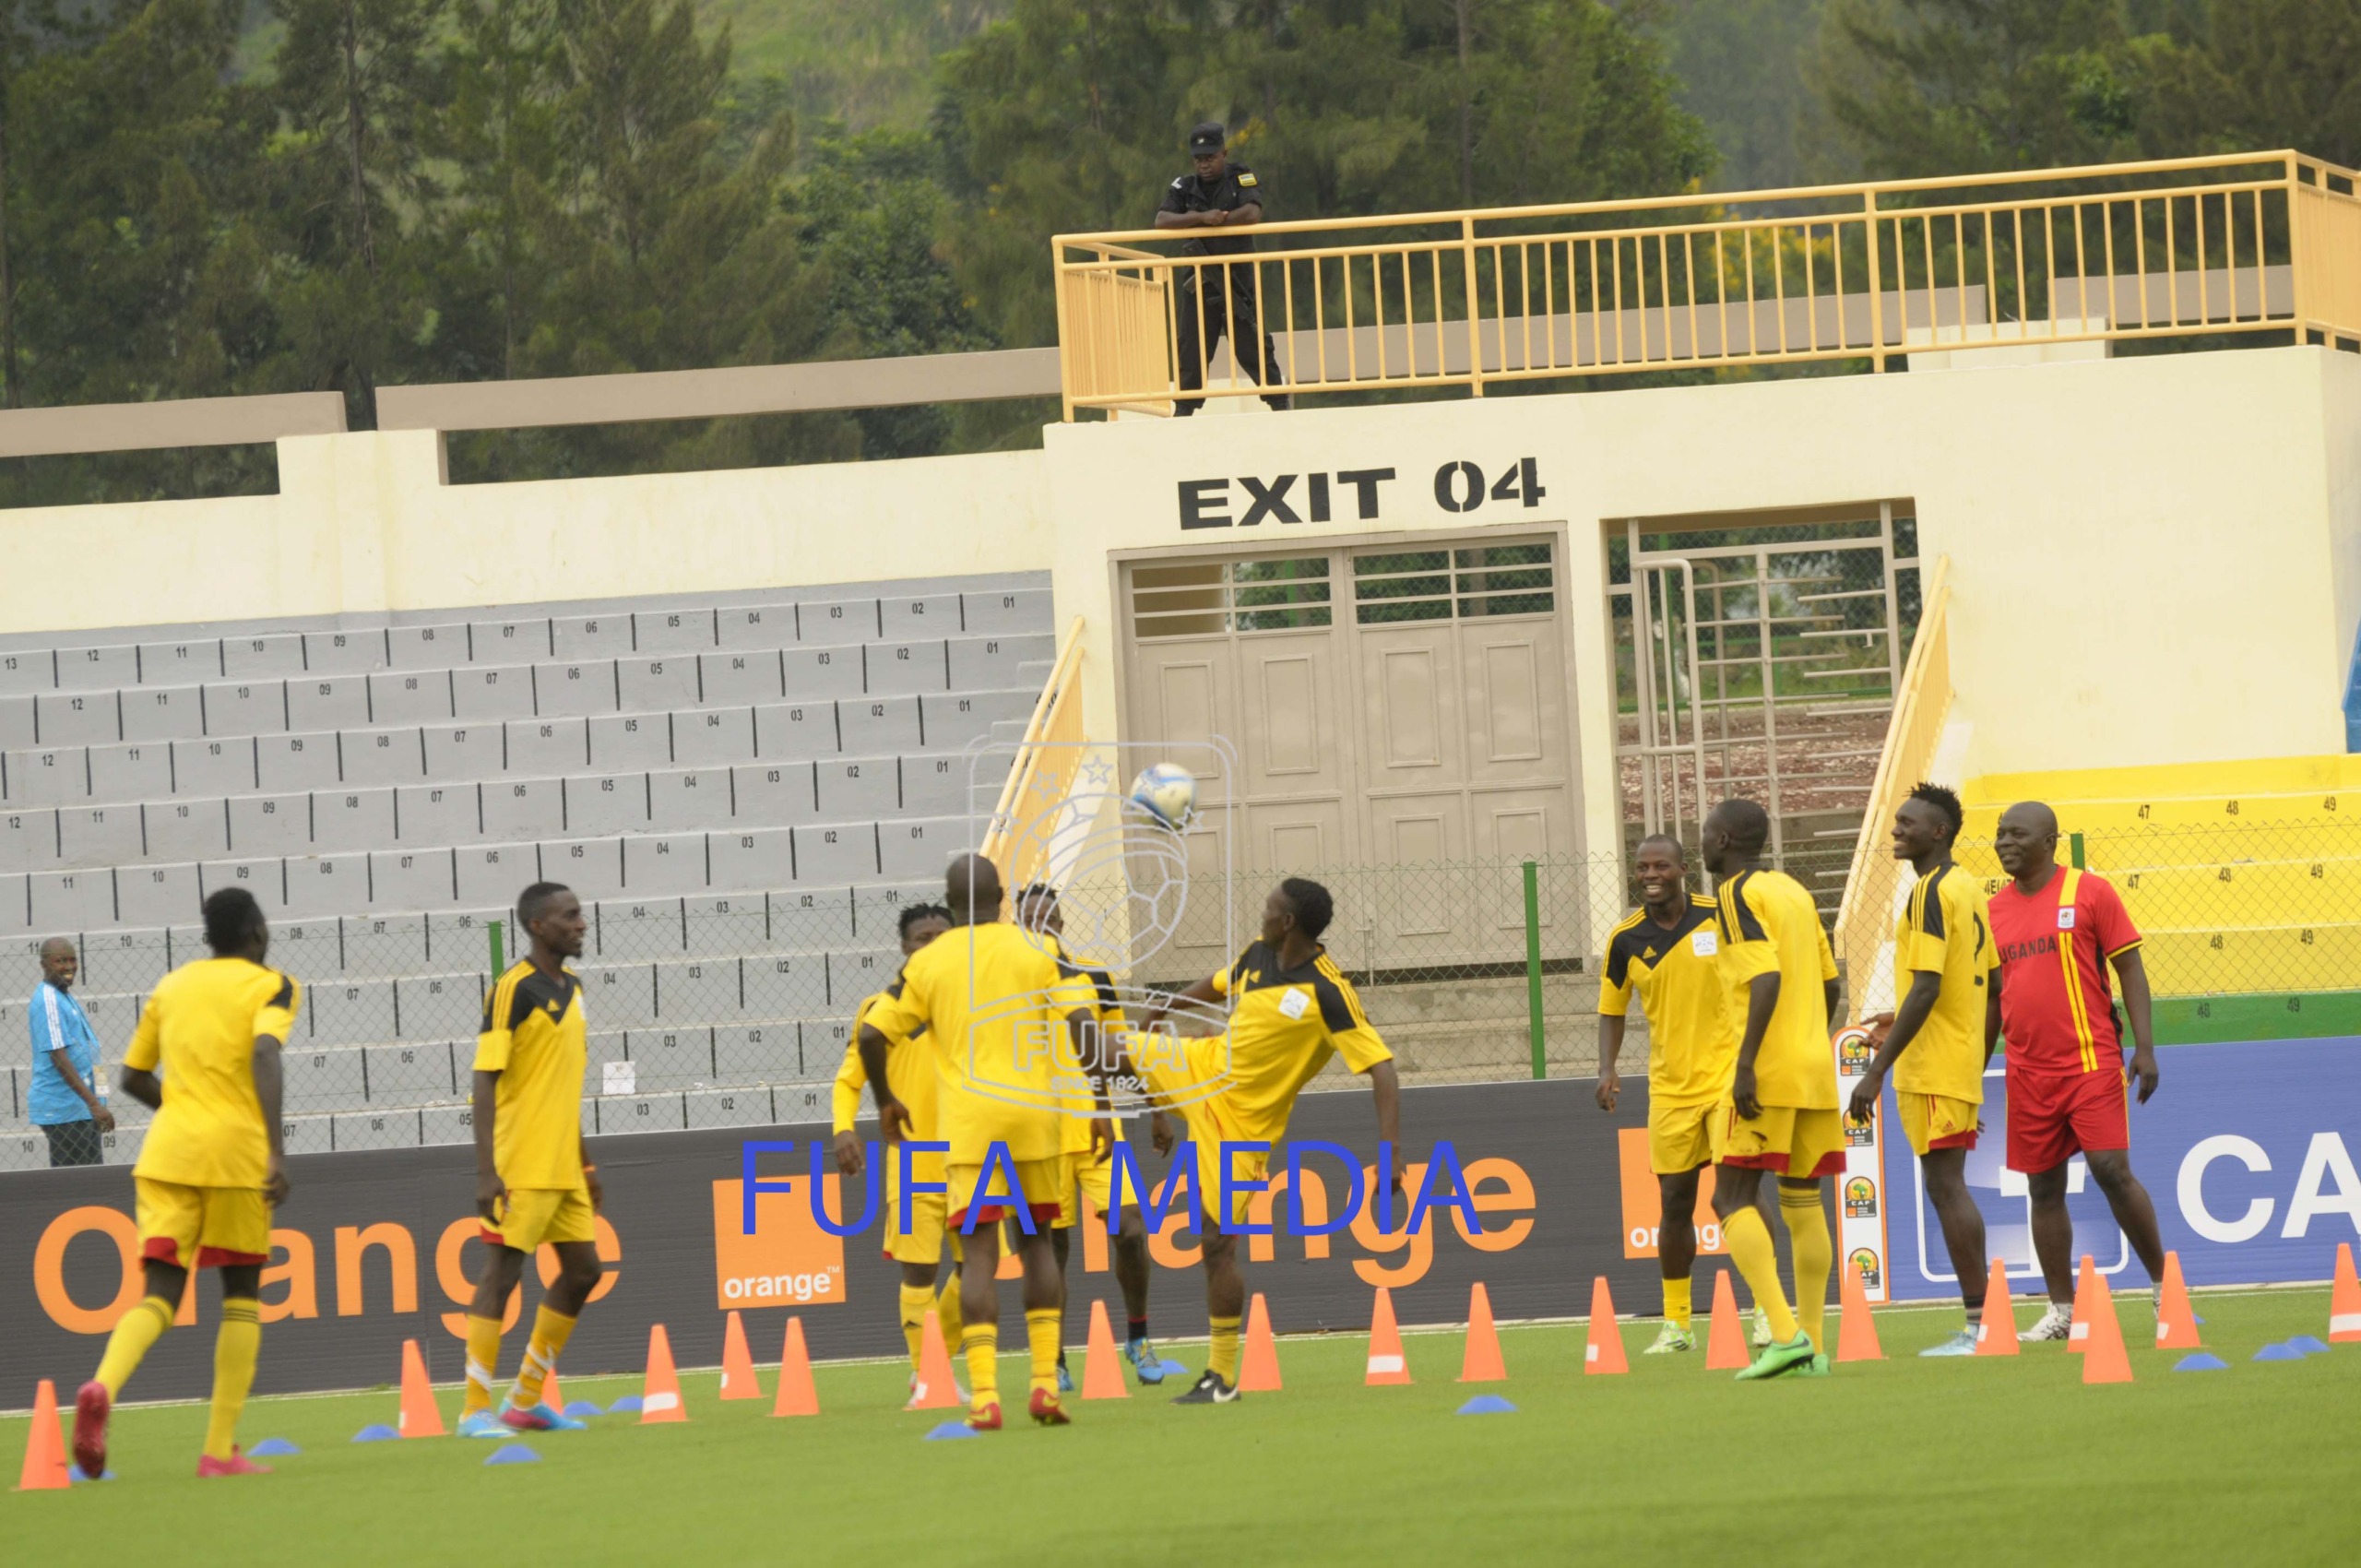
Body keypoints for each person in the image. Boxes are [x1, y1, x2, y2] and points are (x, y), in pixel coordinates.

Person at [1128, 877, 1401, 1406]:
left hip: (1242, 1131)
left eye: (1270, 909)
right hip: (1200, 1068)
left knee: (1216, 1246)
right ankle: (1096, 1126)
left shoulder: (1328, 991)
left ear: (1289, 922)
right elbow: (1213, 985)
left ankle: (1220, 1378)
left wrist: (1390, 1152)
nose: (1262, 914)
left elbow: (1384, 1072)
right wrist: (1161, 1012)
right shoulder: (1257, 956)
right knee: (1107, 1045)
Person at [860, 854, 1100, 1431]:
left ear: (950, 899)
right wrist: (1097, 1101)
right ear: (1002, 897)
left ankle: (985, 1396)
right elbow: (1082, 1023)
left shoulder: (930, 961)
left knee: (980, 1257)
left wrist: (885, 1101)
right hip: (1032, 1118)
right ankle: (1045, 1385)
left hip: (969, 1128)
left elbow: (872, 1033)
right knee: (1039, 1244)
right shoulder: (1038, 949)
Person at [71, 887, 298, 1479]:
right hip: (235, 1158)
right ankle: (218, 1451)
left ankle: (101, 1387)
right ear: (255, 931)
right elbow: (265, 1055)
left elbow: (131, 1077)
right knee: (242, 1297)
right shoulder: (271, 984)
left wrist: (188, 1108)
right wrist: (275, 1149)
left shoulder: (172, 986)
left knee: (160, 1296)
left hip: (167, 1154)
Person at [1984, 801, 2168, 1342]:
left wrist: (2146, 1047)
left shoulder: (2090, 892)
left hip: (2090, 1062)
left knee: (2112, 1170)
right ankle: (2062, 1310)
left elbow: (2129, 967)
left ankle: (2165, 1289)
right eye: (1999, 834)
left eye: (2017, 833)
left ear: (2050, 841)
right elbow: (1994, 999)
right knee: (2042, 1189)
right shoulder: (1992, 910)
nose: (2003, 842)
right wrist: (1977, 1068)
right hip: (2025, 1070)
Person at [1595, 835, 1775, 1353]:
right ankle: (1678, 1325)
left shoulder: (1720, 915)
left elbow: (1763, 975)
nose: (1650, 875)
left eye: (1660, 866)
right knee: (1674, 1203)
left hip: (1728, 1080)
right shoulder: (1625, 939)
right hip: (1670, 1089)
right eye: (1641, 867)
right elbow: (1612, 1008)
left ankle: (1767, 1311)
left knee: (1738, 1196)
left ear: (1682, 869)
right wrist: (1606, 1068)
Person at [1846, 784, 1998, 1356]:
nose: (1896, 830)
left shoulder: (1929, 894)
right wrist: (1970, 1070)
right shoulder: (1967, 888)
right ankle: (1983, 1322)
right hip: (1951, 1062)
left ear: (1939, 832)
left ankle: (1979, 1326)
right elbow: (1990, 991)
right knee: (1947, 1184)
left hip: (1932, 1066)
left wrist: (1875, 1070)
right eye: (1896, 821)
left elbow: (1930, 986)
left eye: (1908, 823)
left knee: (1945, 1186)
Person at [1702, 799, 1845, 1381]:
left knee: (1730, 1199)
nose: (1701, 844)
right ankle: (1812, 1342)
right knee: (1803, 1202)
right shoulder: (1794, 890)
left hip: (1766, 1070)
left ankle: (1784, 1337)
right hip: (1812, 1065)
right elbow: (1831, 980)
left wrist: (1747, 1063)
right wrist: (1810, 1037)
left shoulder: (1735, 895)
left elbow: (1764, 977)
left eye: (1707, 834)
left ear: (1728, 839)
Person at [457, 882, 604, 1439]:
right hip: (519, 1164)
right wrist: (486, 1171)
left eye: (580, 915)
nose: (581, 924)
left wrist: (585, 1164)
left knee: (584, 1271)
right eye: (569, 916)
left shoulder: (575, 988)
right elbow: (484, 1076)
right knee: (502, 1275)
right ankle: (474, 1409)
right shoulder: (511, 990)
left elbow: (562, 1085)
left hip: (564, 1163)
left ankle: (524, 1401)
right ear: (538, 926)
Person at [1014, 883, 1169, 1388]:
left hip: (1099, 1129)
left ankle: (1139, 1336)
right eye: (1028, 919)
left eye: (1046, 918)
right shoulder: (1007, 987)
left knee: (1130, 1230)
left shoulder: (1093, 979)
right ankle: (1054, 1358)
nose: (1039, 926)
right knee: (1051, 1249)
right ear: (1019, 927)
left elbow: (1118, 1050)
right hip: (1038, 1137)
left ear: (1060, 925)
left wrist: (1155, 1109)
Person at [832, 901, 967, 1408]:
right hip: (914, 1160)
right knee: (918, 1272)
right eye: (921, 939)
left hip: (975, 1152)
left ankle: (935, 1364)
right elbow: (849, 1081)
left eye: (941, 937)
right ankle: (928, 1376)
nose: (931, 946)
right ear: (904, 949)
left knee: (978, 1268)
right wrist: (844, 1128)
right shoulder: (880, 1009)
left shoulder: (975, 1001)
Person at [1157, 121, 1288, 415]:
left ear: (1224, 153)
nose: (1204, 164)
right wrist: (1204, 218)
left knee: (1251, 344)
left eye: (1210, 157)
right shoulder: (1184, 186)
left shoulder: (1240, 176)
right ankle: (1184, 411)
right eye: (1199, 159)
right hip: (1199, 278)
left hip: (1236, 278)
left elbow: (1252, 213)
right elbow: (1162, 220)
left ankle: (1279, 403)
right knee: (1192, 346)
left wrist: (1218, 222)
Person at [30, 936, 113, 1166]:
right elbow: (58, 1057)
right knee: (77, 1185)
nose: (69, 966)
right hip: (66, 1111)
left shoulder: (63, 995)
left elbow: (92, 1050)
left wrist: (101, 1101)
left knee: (89, 1178)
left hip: (83, 1109)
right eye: (60, 961)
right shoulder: (48, 999)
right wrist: (95, 1105)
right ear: (44, 965)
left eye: (73, 960)